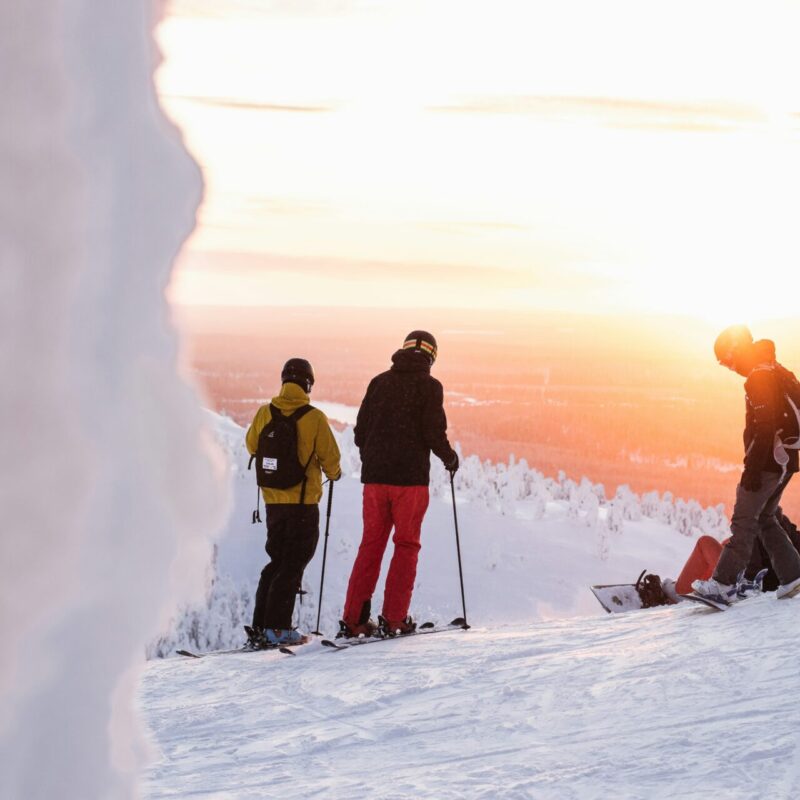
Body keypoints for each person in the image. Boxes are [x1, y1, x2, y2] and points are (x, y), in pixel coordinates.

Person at [339, 330, 459, 638]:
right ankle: (394, 619)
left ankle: (353, 620)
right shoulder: (429, 387)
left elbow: (359, 433)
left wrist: (376, 457)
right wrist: (449, 458)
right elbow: (433, 433)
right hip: (410, 482)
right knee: (406, 546)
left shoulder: (379, 382)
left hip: (375, 481)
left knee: (371, 546)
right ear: (432, 356)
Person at [691, 325, 800, 604]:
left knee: (744, 521)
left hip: (768, 461)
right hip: (787, 458)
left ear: (735, 350)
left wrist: (751, 470)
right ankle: (793, 576)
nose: (729, 367)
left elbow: (765, 427)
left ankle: (723, 585)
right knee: (765, 517)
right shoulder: (774, 368)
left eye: (727, 360)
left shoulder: (758, 377)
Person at [245, 358, 341, 646]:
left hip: (273, 502)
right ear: (308, 384)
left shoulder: (265, 412)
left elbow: (252, 444)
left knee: (276, 561)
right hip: (302, 503)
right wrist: (334, 474)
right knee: (294, 563)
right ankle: (278, 628)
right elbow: (331, 460)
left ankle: (261, 624)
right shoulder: (314, 417)